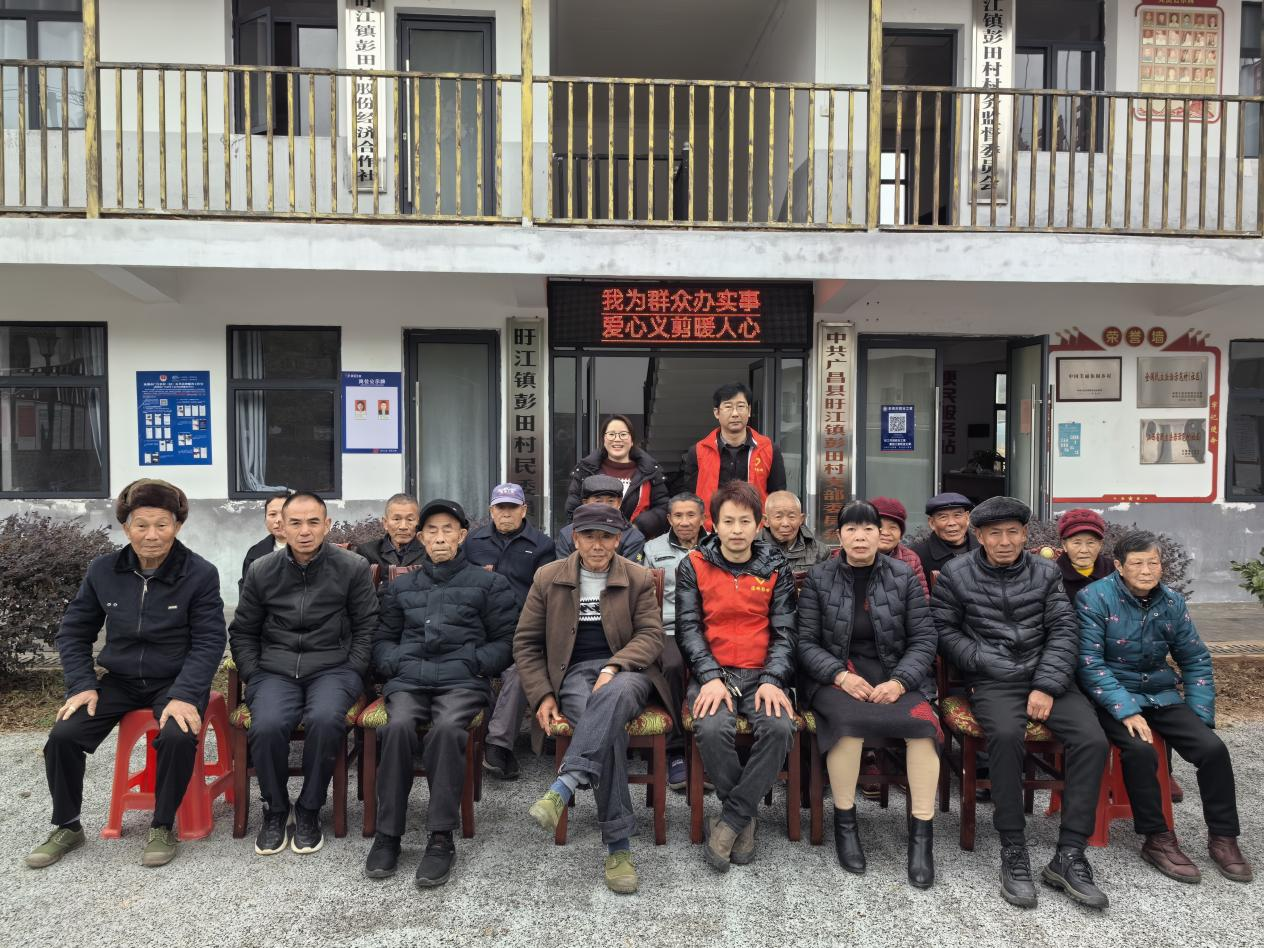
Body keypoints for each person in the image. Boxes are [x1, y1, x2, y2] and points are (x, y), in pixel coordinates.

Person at [26, 479, 225, 870]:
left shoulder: (199, 573)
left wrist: (186, 693)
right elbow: (74, 631)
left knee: (177, 735)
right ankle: (67, 825)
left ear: (177, 526)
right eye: (141, 525)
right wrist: (82, 685)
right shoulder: (103, 570)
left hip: (175, 681)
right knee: (63, 736)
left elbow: (209, 640)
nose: (152, 535)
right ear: (126, 527)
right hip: (119, 680)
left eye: (162, 525)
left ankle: (162, 825)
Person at [932, 496, 1110, 910]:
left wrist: (1046, 685)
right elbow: (943, 630)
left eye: (1013, 532)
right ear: (979, 536)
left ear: (1025, 534)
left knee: (1092, 740)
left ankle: (1070, 854)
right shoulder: (957, 574)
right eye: (995, 533)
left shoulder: (1046, 571)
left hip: (1046, 679)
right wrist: (982, 658)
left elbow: (1064, 630)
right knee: (1006, 737)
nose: (1005, 541)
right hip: (992, 680)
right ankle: (1013, 848)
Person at [1078, 530, 1253, 885]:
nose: (1146, 571)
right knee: (1141, 751)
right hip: (1112, 696)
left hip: (1161, 693)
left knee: (1212, 749)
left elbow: (1195, 658)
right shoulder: (1094, 598)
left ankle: (1223, 837)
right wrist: (1126, 709)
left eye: (1153, 563)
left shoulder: (1171, 601)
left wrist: (1200, 717)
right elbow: (1089, 663)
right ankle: (1157, 838)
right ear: (1119, 566)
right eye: (1137, 563)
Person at [517, 503, 673, 895]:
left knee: (611, 698)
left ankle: (565, 784)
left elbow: (651, 636)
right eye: (589, 536)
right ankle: (619, 848)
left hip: (628, 674)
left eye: (606, 537)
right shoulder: (548, 577)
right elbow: (526, 643)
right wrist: (542, 695)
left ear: (618, 540)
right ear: (575, 539)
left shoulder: (637, 577)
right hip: (572, 675)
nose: (598, 545)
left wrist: (614, 666)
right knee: (608, 730)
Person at [364, 500, 517, 887]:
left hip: (462, 681)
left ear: (462, 535)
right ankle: (388, 834)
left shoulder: (489, 584)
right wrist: (395, 662)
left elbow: (506, 641)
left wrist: (473, 662)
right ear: (421, 538)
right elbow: (382, 639)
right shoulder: (401, 586)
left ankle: (440, 837)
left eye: (448, 529)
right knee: (396, 727)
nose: (440, 538)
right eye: (431, 530)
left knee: (448, 729)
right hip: (409, 680)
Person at [797, 501, 940, 887]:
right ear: (838, 536)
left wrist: (900, 682)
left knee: (923, 728)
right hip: (836, 677)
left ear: (881, 535)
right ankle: (846, 824)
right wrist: (840, 676)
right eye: (851, 529)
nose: (860, 537)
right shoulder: (819, 577)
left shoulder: (903, 576)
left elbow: (924, 638)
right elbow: (805, 642)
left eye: (868, 529)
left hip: (894, 676)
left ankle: (921, 837)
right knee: (847, 725)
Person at [230, 491, 378, 857]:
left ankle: (310, 808)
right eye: (295, 523)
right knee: (267, 725)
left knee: (326, 720)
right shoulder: (262, 570)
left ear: (327, 525)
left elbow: (367, 627)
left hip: (333, 667)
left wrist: (353, 668)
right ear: (281, 525)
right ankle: (275, 809)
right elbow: (243, 630)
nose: (305, 531)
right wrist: (253, 673)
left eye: (313, 522)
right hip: (274, 670)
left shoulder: (352, 567)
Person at [676, 481, 798, 873]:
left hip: (763, 674)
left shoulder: (776, 567)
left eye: (745, 521)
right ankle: (744, 817)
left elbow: (785, 633)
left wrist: (773, 679)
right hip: (714, 674)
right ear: (713, 523)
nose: (736, 529)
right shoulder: (694, 564)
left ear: (759, 524)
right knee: (711, 728)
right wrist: (709, 675)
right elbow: (688, 629)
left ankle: (730, 820)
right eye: (728, 521)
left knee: (780, 727)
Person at [464, 482, 556, 781]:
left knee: (521, 671)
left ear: (523, 510)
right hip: (480, 629)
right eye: (500, 508)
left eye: (512, 508)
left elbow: (546, 595)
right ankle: (477, 739)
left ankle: (497, 746)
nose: (506, 513)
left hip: (521, 630)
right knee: (469, 664)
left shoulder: (542, 545)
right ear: (491, 511)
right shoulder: (473, 542)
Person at [642, 492, 706, 790]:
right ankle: (676, 750)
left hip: (707, 628)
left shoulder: (717, 546)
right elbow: (643, 596)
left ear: (702, 518)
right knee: (672, 665)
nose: (684, 522)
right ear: (669, 519)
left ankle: (708, 747)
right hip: (667, 628)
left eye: (691, 515)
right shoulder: (652, 549)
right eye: (678, 516)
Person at [679, 382, 786, 528]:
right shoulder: (698, 452)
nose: (735, 413)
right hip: (711, 530)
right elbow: (690, 498)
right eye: (728, 407)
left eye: (741, 406)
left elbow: (778, 496)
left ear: (749, 411)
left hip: (756, 530)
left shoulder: (769, 449)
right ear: (716, 413)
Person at [564, 414, 670, 539]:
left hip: (637, 542)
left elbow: (663, 508)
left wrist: (638, 527)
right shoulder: (586, 471)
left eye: (623, 434)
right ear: (603, 439)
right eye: (611, 434)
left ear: (632, 440)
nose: (617, 439)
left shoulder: (650, 471)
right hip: (595, 543)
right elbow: (573, 509)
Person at [554, 474, 647, 562]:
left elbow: (632, 570)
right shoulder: (567, 534)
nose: (604, 507)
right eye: (598, 501)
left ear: (619, 503)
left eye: (610, 501)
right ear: (585, 503)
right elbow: (563, 569)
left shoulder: (633, 537)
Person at [1048, 508, 1114, 603]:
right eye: (1077, 543)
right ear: (1064, 545)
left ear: (1100, 544)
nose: (1084, 550)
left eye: (1090, 542)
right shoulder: (1051, 576)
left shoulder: (1115, 572)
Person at [870, 496, 929, 598]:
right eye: (879, 526)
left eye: (893, 527)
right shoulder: (850, 556)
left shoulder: (911, 559)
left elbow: (921, 600)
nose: (885, 533)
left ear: (901, 534)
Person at [761, 490, 831, 571]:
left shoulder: (820, 552)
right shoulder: (751, 549)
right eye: (778, 517)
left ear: (801, 519)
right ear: (766, 520)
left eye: (791, 517)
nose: (785, 523)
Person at [909, 492, 978, 575]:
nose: (951, 523)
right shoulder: (916, 556)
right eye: (943, 517)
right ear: (931, 523)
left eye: (957, 515)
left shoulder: (984, 548)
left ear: (967, 518)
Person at [355, 493, 425, 569]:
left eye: (410, 519)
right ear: (385, 523)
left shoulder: (428, 551)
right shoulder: (367, 552)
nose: (403, 527)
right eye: (396, 519)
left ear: (419, 522)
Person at [241, 490, 292, 584]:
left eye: (284, 513)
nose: (278, 520)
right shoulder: (255, 554)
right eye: (272, 514)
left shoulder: (313, 551)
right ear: (265, 519)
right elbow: (247, 590)